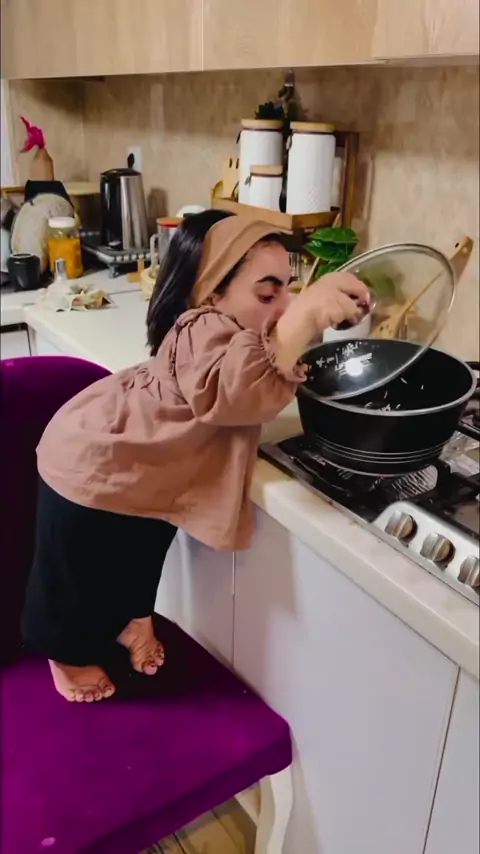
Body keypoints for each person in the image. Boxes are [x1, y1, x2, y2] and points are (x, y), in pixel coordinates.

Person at [22, 211, 370, 703]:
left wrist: (305, 319)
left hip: (151, 465)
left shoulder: (238, 336)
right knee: (74, 579)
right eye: (267, 295)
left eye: (289, 293)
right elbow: (241, 389)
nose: (283, 307)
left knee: (143, 549)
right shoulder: (200, 327)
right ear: (211, 296)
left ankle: (130, 619)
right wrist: (307, 314)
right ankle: (67, 655)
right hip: (94, 462)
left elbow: (262, 367)